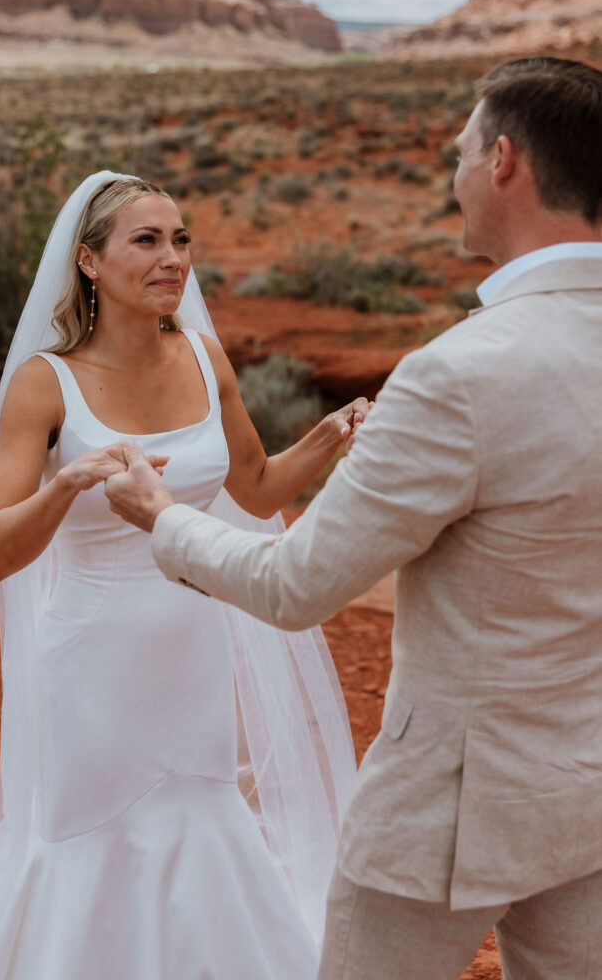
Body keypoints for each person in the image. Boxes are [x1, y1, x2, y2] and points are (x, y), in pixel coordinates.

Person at [103, 57, 602, 979]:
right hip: (586, 795)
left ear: (502, 162)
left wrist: (162, 516)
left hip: (442, 815)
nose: (451, 178)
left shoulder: (456, 374)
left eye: (458, 154)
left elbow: (294, 587)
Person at [0, 172, 360, 980]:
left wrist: (327, 437)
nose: (173, 259)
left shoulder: (203, 357)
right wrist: (64, 484)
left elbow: (256, 487)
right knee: (90, 836)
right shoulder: (43, 383)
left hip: (191, 647)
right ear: (89, 261)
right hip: (87, 658)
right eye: (147, 241)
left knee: (198, 812)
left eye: (181, 239)